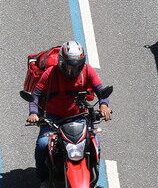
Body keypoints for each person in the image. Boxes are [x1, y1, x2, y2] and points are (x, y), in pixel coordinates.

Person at [26, 41, 111, 180]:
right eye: (69, 66)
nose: (73, 70)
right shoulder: (50, 73)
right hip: (53, 119)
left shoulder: (88, 70)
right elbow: (35, 95)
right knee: (42, 145)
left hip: (79, 117)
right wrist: (33, 113)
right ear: (61, 62)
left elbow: (101, 91)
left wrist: (104, 105)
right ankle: (43, 179)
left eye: (77, 66)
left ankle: (94, 176)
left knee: (95, 143)